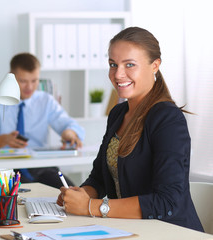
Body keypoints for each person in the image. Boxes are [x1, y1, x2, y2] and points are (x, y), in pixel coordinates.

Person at [57, 27, 203, 232]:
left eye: (130, 65)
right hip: (128, 229)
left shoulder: (168, 119)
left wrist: (91, 206)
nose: (118, 74)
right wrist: (78, 195)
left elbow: (167, 202)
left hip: (169, 231)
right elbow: (98, 178)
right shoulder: (118, 114)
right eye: (113, 64)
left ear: (155, 66)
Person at [0, 53, 85, 188]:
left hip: (42, 167)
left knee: (72, 192)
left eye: (34, 81)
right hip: (6, 170)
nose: (29, 87)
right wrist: (4, 139)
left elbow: (68, 124)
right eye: (23, 81)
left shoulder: (45, 101)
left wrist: (69, 133)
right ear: (11, 77)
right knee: (24, 195)